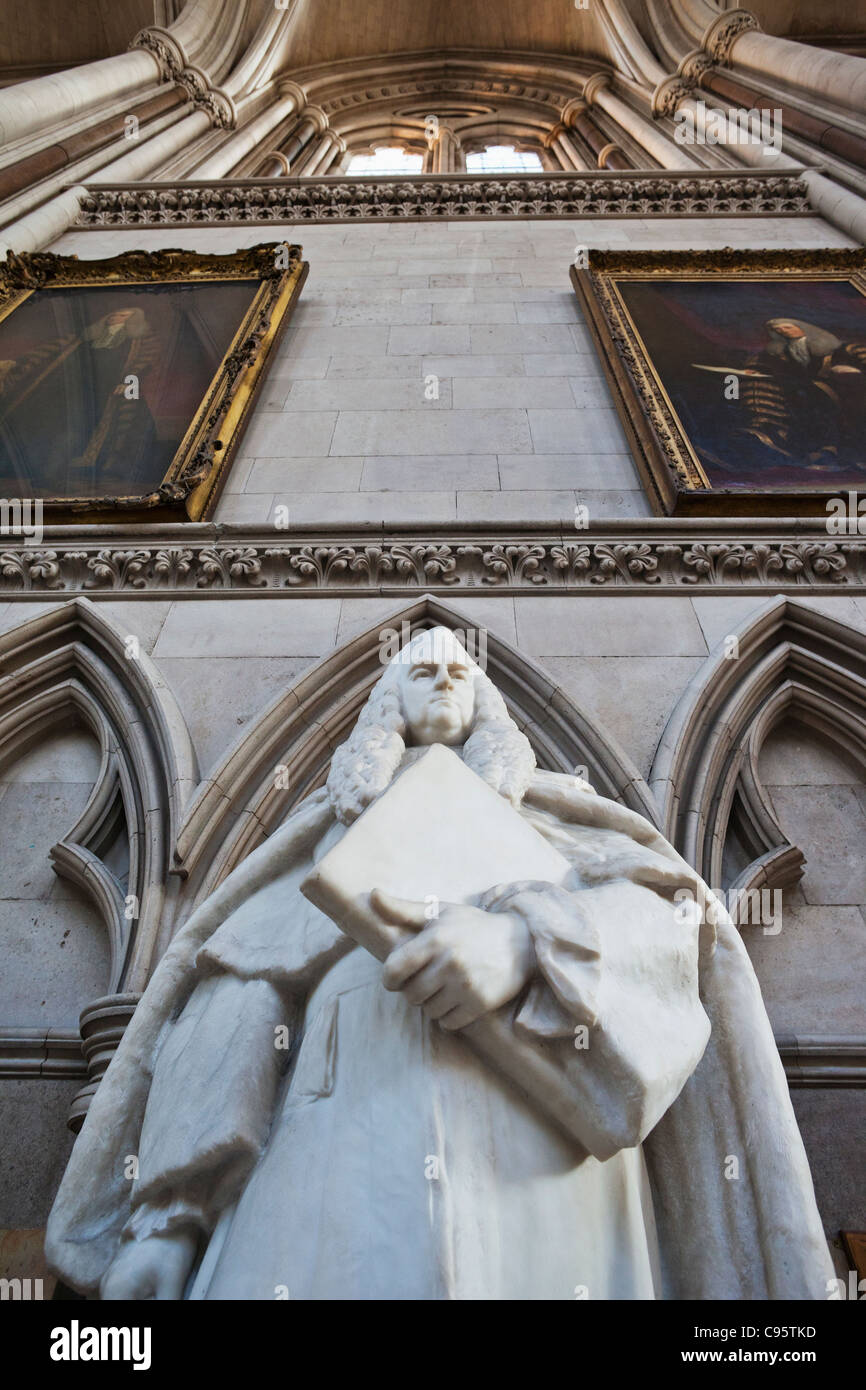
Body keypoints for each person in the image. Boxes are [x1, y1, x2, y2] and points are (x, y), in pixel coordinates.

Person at [46, 628, 833, 1300]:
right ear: (387, 701)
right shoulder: (320, 834)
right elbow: (236, 994)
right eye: (421, 672)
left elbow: (676, 926)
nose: (445, 680)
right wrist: (168, 1218)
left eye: (462, 672)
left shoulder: (567, 819)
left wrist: (527, 944)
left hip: (545, 1154)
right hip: (326, 1151)